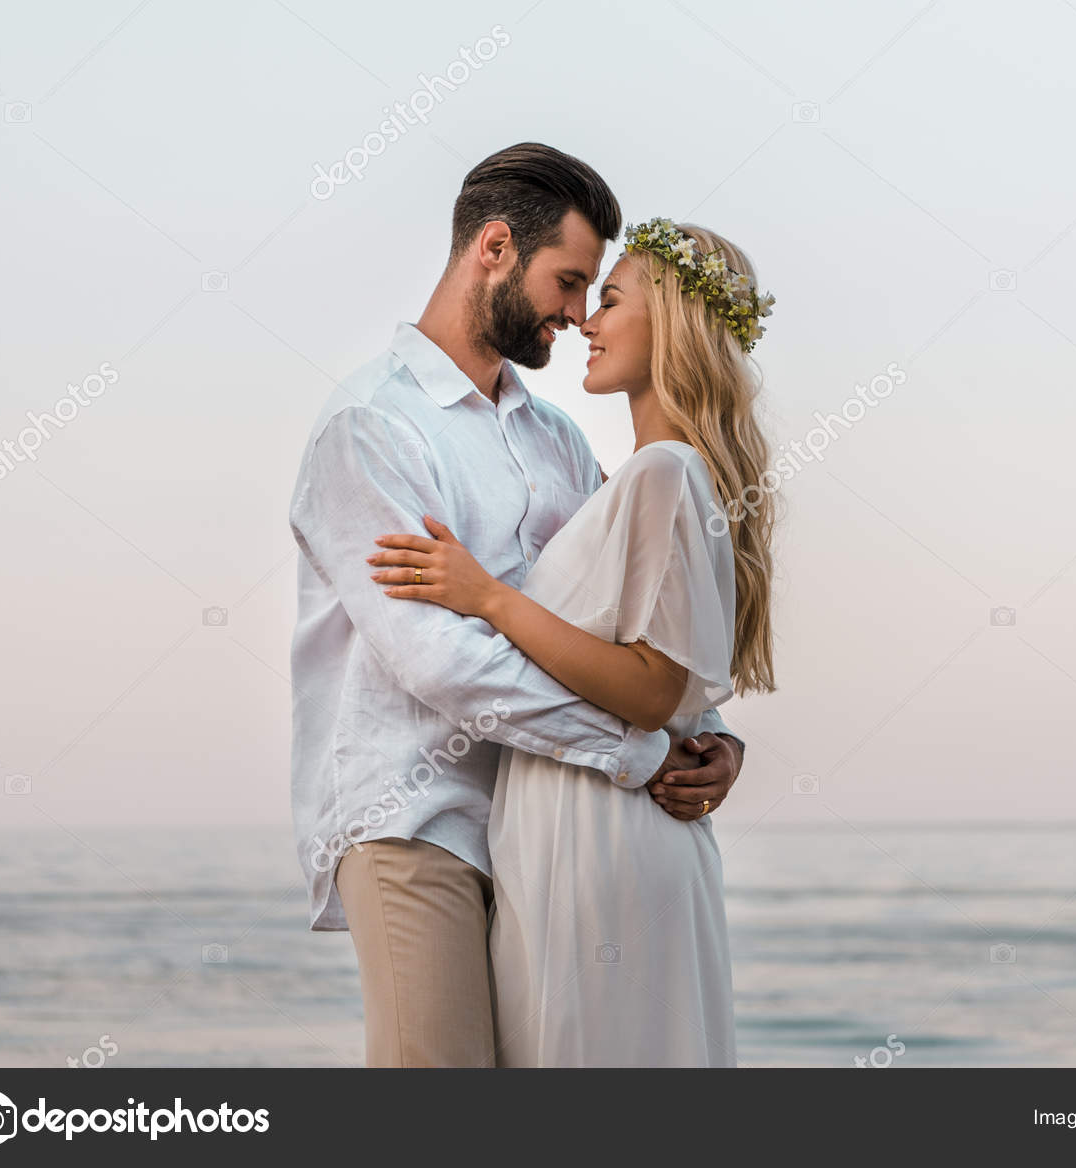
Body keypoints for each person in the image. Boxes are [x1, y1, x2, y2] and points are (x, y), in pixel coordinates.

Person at [288, 144, 747, 1067]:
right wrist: (639, 746)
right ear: (494, 247)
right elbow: (441, 663)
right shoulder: (373, 431)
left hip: (544, 830)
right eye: (569, 282)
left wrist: (712, 737)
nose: (577, 316)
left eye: (592, 293)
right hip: (420, 820)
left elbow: (622, 626)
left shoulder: (556, 441)